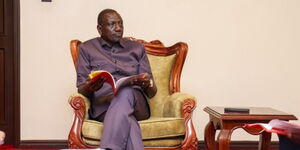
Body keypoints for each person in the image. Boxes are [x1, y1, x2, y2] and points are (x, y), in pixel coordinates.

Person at [76, 9, 157, 150]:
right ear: (100, 28)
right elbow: (81, 88)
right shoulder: (87, 48)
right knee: (129, 123)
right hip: (104, 107)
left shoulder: (137, 48)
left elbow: (152, 92)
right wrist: (90, 87)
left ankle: (109, 148)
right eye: (112, 24)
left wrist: (147, 84)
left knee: (124, 91)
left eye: (121, 24)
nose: (118, 28)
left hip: (137, 105)